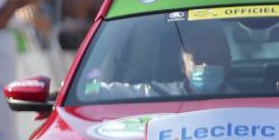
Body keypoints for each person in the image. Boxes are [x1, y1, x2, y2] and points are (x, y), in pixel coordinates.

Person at [83, 24, 235, 100]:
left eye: (214, 58)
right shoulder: (154, 96)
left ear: (228, 62)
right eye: (198, 58)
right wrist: (106, 38)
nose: (206, 65)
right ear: (182, 65)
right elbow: (90, 92)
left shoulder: (246, 102)